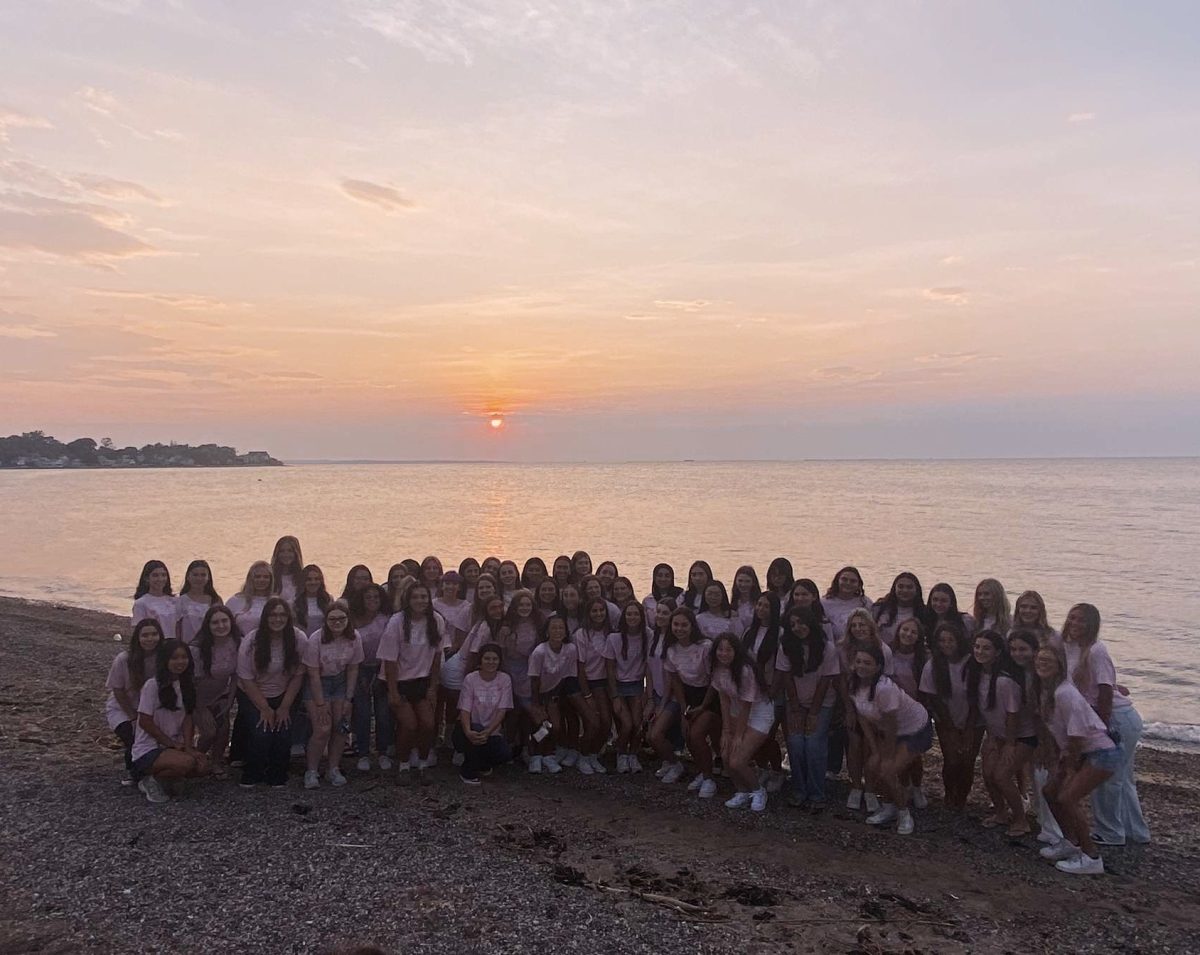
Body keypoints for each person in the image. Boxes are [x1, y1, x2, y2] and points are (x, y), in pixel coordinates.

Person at [1062, 603, 1150, 846]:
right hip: (1107, 715)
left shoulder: (1096, 650)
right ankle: (1136, 831)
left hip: (1116, 717)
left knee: (1109, 777)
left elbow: (1105, 691)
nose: (1075, 624)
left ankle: (1110, 832)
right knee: (1122, 777)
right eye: (1072, 618)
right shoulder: (1069, 647)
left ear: (1093, 625)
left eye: (1082, 620)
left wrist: (1101, 727)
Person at [1035, 645, 1120, 874]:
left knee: (1067, 799)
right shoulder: (1047, 690)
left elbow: (1077, 736)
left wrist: (1069, 768)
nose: (1042, 664)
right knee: (1049, 792)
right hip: (1076, 752)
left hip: (1099, 753)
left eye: (1048, 661)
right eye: (1040, 660)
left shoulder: (1065, 693)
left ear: (1060, 664)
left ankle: (1091, 857)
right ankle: (1070, 843)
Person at [848, 644, 933, 836]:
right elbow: (863, 718)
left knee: (887, 770)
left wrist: (886, 756)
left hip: (914, 729)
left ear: (878, 667)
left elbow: (891, 727)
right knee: (872, 766)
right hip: (885, 731)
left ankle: (904, 813)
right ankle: (888, 805)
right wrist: (875, 751)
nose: (861, 666)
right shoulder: (853, 684)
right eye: (858, 662)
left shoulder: (884, 689)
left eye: (867, 663)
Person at [378, 583, 447, 776]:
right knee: (409, 724)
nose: (420, 601)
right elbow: (389, 660)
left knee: (428, 723)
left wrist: (433, 687)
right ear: (408, 600)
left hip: (422, 681)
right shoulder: (397, 622)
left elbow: (436, 656)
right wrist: (393, 692)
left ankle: (423, 762)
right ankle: (404, 764)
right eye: (415, 597)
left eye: (424, 597)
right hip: (399, 681)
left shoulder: (436, 620)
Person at [236, 597, 305, 787]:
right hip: (252, 693)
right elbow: (246, 678)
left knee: (283, 730)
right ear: (265, 617)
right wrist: (265, 708)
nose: (277, 619)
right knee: (262, 731)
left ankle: (278, 773)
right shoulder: (251, 641)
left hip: (285, 692)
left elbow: (298, 676)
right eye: (273, 615)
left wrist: (284, 707)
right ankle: (252, 772)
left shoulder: (298, 639)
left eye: (282, 615)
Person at [967, 630, 1031, 835]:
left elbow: (1013, 714)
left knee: (1002, 776)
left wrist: (1009, 745)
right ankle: (1001, 813)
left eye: (986, 648)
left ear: (997, 652)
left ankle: (1021, 819)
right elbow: (988, 711)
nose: (980, 651)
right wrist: (993, 737)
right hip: (996, 734)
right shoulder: (978, 674)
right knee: (987, 774)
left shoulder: (1004, 680)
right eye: (977, 647)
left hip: (1020, 736)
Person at [776, 605, 839, 811]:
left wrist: (813, 713)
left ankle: (817, 793)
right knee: (795, 742)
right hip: (796, 701)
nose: (797, 627)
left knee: (813, 743)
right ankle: (799, 789)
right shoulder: (785, 646)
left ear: (810, 622)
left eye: (801, 622)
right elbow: (786, 677)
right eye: (792, 624)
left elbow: (826, 681)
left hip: (821, 702)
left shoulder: (827, 647)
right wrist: (795, 709)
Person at [131, 639, 210, 803]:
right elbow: (145, 721)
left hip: (176, 744)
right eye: (174, 658)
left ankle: (169, 777)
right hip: (150, 747)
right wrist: (171, 744)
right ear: (165, 660)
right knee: (187, 763)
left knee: (202, 766)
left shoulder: (187, 685)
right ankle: (148, 779)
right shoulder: (152, 685)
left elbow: (188, 718)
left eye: (184, 657)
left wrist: (188, 746)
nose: (180, 662)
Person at [649, 608, 715, 787]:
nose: (679, 628)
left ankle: (708, 777)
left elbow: (714, 681)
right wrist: (683, 710)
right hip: (685, 696)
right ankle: (682, 766)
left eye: (684, 625)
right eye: (676, 624)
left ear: (692, 626)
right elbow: (676, 681)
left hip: (709, 697)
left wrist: (702, 706)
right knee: (661, 734)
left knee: (695, 735)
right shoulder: (671, 649)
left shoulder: (705, 647)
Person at [708, 633, 773, 812]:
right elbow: (724, 700)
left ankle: (758, 791)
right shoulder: (717, 669)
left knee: (737, 760)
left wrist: (738, 735)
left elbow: (747, 705)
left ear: (736, 651)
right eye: (720, 649)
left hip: (758, 713)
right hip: (735, 711)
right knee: (726, 754)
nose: (723, 654)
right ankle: (742, 790)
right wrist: (726, 731)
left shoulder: (745, 670)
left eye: (728, 650)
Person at [302, 600, 363, 789]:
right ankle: (311, 771)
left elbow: (353, 669)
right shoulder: (316, 639)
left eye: (341, 618)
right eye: (332, 619)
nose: (337, 622)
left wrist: (349, 699)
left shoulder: (354, 637)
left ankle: (333, 768)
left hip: (341, 682)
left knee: (340, 727)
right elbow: (312, 673)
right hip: (318, 682)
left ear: (348, 619)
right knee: (322, 728)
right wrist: (320, 704)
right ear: (326, 620)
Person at [919, 622, 979, 810]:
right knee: (952, 759)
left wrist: (969, 728)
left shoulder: (972, 662)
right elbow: (934, 698)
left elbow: (977, 698)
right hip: (946, 718)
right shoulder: (933, 665)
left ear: (959, 641)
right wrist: (951, 728)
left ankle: (961, 798)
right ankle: (950, 794)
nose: (946, 644)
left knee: (968, 760)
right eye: (942, 640)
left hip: (974, 718)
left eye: (950, 640)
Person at [839, 609, 893, 812]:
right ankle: (855, 786)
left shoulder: (883, 650)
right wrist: (849, 709)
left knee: (872, 748)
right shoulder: (844, 649)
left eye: (862, 624)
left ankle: (870, 789)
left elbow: (888, 681)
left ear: (871, 626)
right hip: (853, 703)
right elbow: (843, 681)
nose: (858, 629)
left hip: (876, 705)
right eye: (854, 625)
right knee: (854, 745)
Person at [105, 619, 164, 785]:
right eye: (145, 635)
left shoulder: (163, 658)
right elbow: (117, 690)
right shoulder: (124, 659)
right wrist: (132, 717)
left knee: (151, 738)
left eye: (154, 634)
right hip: (122, 708)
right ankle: (134, 771)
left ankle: (148, 769)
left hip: (150, 708)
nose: (150, 638)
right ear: (137, 638)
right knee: (133, 736)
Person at [527, 615, 585, 774]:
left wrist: (554, 699)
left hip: (554, 693)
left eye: (561, 628)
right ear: (547, 632)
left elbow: (567, 676)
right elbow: (534, 680)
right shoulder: (539, 652)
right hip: (536, 693)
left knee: (555, 726)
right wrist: (537, 704)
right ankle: (535, 755)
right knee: (539, 724)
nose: (557, 631)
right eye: (553, 628)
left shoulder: (571, 650)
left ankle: (548, 754)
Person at [190, 605, 242, 778]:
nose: (221, 626)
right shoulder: (197, 649)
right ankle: (194, 759)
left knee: (223, 729)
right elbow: (191, 682)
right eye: (215, 622)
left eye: (224, 621)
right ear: (208, 625)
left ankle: (216, 761)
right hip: (197, 697)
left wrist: (229, 700)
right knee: (209, 732)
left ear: (231, 622)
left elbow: (235, 675)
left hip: (221, 693)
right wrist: (200, 706)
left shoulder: (237, 642)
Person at [454, 643, 513, 784]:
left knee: (505, 754)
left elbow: (502, 710)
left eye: (495, 659)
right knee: (476, 733)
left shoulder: (505, 679)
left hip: (491, 732)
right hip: (469, 729)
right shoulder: (471, 679)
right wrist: (468, 731)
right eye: (487, 658)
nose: (491, 662)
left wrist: (488, 731)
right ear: (480, 660)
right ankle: (467, 772)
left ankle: (481, 763)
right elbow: (465, 709)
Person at [350, 583, 393, 770]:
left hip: (382, 668)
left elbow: (392, 648)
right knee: (362, 713)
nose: (373, 601)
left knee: (383, 713)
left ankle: (383, 751)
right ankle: (363, 753)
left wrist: (382, 673)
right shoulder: (353, 620)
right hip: (358, 668)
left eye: (376, 597)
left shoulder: (387, 620)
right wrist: (359, 674)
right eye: (369, 597)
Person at [889, 617, 929, 808]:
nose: (908, 634)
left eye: (913, 632)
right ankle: (904, 786)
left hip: (917, 712)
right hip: (894, 712)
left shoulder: (923, 658)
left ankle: (917, 787)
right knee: (899, 753)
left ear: (919, 637)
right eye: (905, 630)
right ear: (898, 631)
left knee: (914, 754)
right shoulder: (889, 653)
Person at [605, 601, 648, 773]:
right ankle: (621, 753)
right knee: (627, 724)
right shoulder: (614, 638)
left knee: (637, 724)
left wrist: (648, 693)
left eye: (636, 614)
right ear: (624, 617)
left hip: (637, 685)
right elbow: (609, 668)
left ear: (641, 617)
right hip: (619, 686)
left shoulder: (648, 635)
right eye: (629, 614)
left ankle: (633, 754)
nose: (632, 617)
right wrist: (614, 696)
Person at [573, 597, 614, 774]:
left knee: (606, 722)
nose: (598, 614)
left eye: (601, 610)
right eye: (594, 611)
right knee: (593, 722)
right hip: (587, 683)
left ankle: (593, 754)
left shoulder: (610, 633)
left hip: (605, 683)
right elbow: (580, 668)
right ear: (588, 613)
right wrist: (587, 695)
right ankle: (582, 755)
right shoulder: (581, 634)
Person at [873, 572, 927, 647]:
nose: (905, 590)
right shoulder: (879, 608)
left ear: (917, 590)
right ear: (894, 588)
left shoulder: (925, 612)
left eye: (909, 587)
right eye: (901, 587)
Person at [132, 559, 179, 641]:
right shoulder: (141, 603)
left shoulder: (175, 601)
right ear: (146, 578)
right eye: (155, 575)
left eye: (163, 575)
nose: (160, 579)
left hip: (174, 646)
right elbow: (138, 631)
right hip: (154, 645)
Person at [176, 559, 221, 645]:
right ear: (188, 577)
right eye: (195, 575)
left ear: (208, 578)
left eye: (203, 575)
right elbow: (178, 628)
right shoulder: (181, 601)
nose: (199, 578)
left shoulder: (215, 600)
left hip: (210, 646)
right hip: (188, 647)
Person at [823, 566, 872, 639]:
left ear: (859, 584)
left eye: (853, 581)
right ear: (837, 581)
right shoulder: (824, 603)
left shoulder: (865, 602)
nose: (848, 583)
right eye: (844, 579)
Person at [226, 561, 274, 635]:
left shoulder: (274, 602)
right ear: (250, 578)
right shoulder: (235, 601)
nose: (262, 580)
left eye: (266, 577)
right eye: (257, 576)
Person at [293, 564, 333, 633]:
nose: (313, 582)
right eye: (309, 579)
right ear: (303, 581)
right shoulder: (294, 603)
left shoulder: (329, 600)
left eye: (316, 579)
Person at [270, 536, 305, 604]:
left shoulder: (303, 578)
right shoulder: (269, 577)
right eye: (282, 551)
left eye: (290, 551)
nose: (286, 555)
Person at [730, 566, 762, 634]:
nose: (743, 584)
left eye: (747, 581)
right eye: (740, 581)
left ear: (753, 583)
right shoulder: (733, 605)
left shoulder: (759, 603)